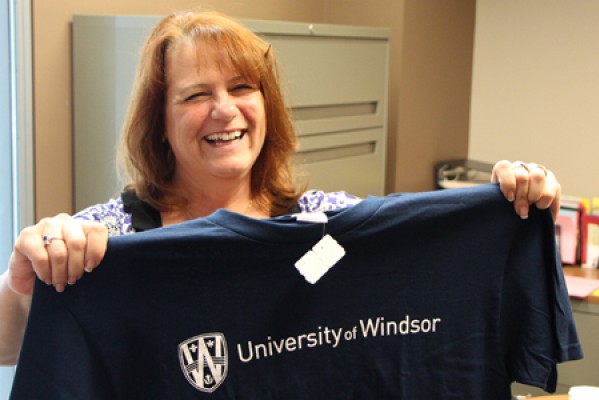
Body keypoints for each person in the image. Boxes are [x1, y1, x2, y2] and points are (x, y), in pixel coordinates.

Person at [0, 9, 561, 367]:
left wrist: (506, 205)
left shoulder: (327, 223)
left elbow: (424, 269)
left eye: (243, 87)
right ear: (161, 124)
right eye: (196, 95)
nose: (225, 110)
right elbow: (13, 345)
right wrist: (25, 283)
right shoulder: (110, 241)